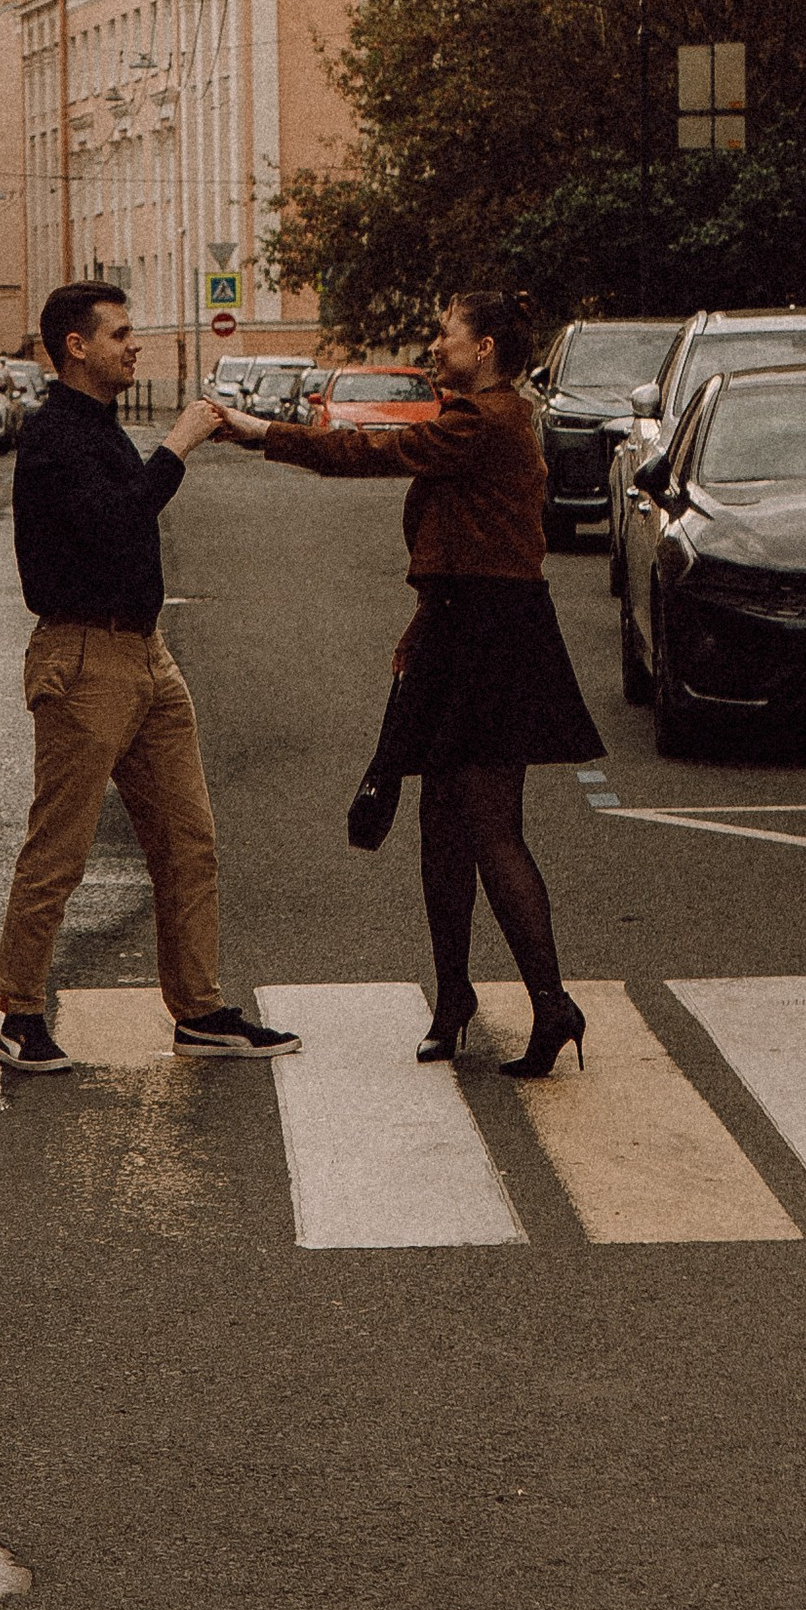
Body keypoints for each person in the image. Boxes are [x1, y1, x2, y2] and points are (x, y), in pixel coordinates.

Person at [216, 286, 597, 1074]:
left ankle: (553, 1005)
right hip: (465, 622)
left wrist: (264, 435)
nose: (434, 344)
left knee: (492, 828)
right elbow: (464, 533)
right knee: (440, 825)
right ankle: (454, 997)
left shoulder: (483, 420)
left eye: (445, 333)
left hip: (491, 633)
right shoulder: (495, 419)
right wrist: (425, 620)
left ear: (484, 347)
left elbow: (374, 452)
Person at [0, 281, 301, 1075]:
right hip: (84, 658)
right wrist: (182, 441)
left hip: (146, 655)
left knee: (188, 839)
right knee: (58, 847)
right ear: (76, 347)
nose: (136, 345)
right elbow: (118, 517)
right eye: (121, 334)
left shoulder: (98, 426)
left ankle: (198, 1009)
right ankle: (21, 1013)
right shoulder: (56, 435)